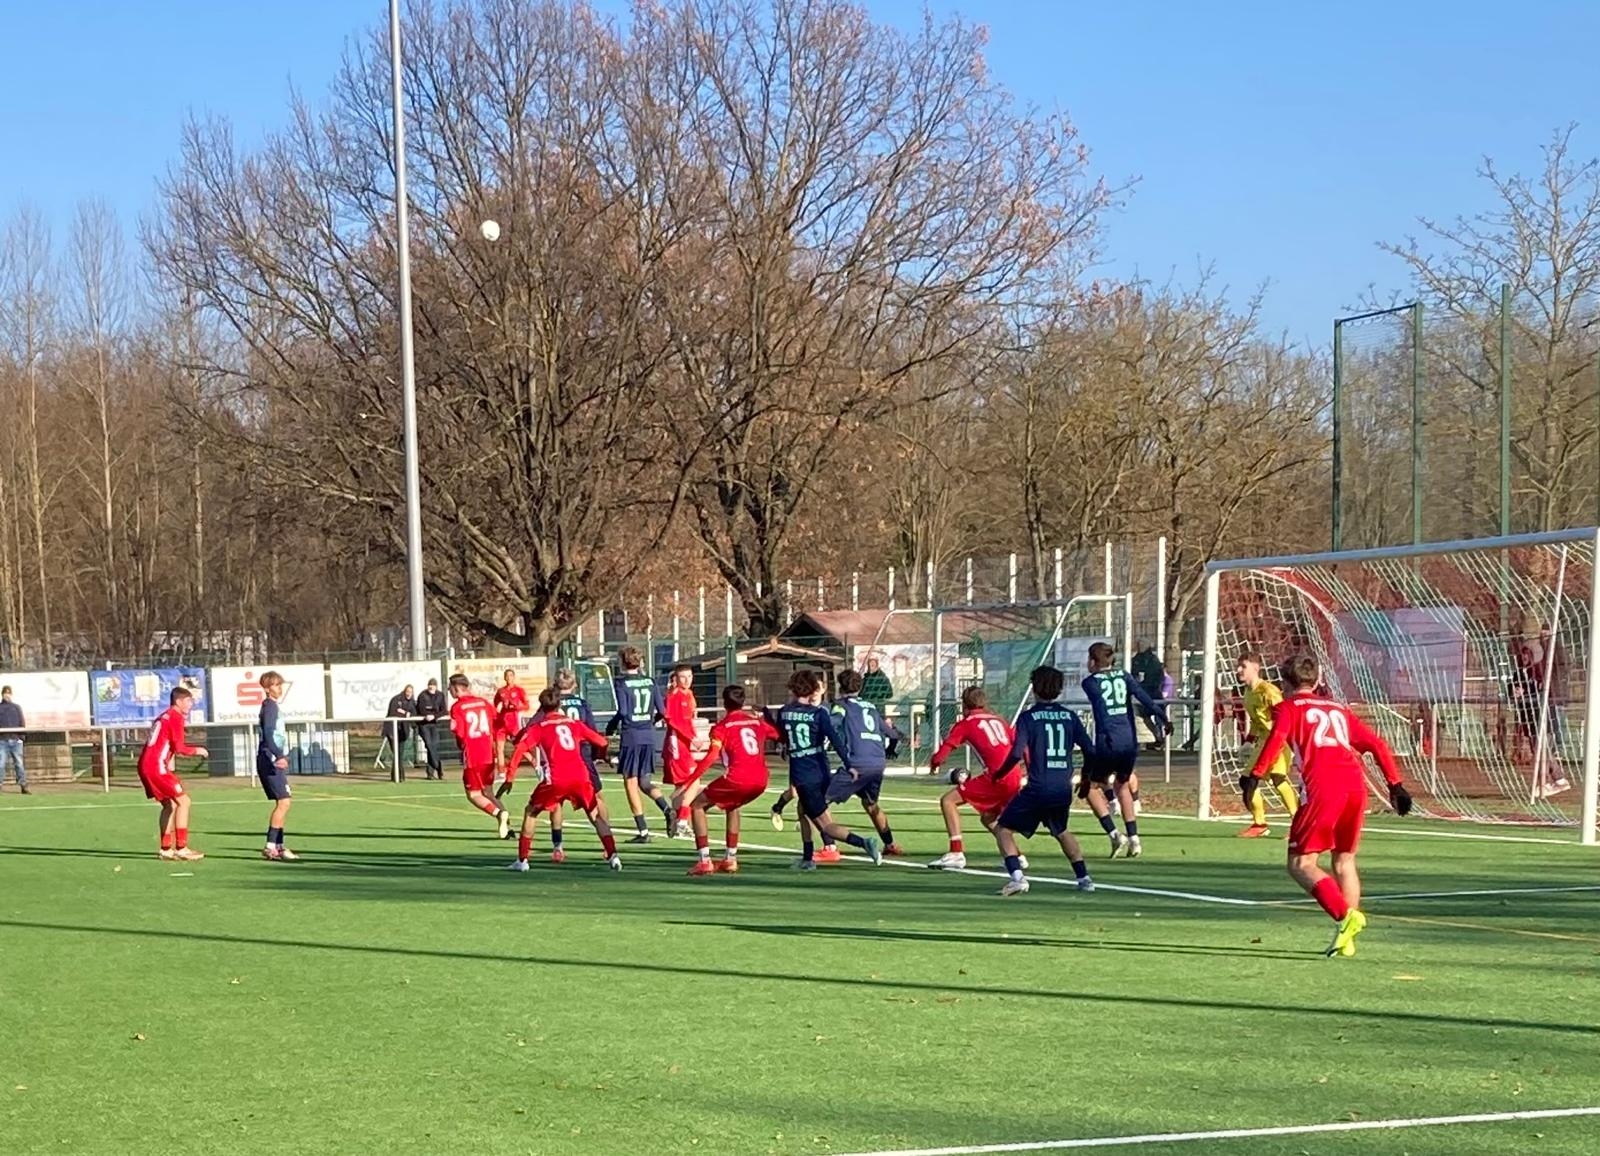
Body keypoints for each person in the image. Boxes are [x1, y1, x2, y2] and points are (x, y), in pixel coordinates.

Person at [1245, 654, 1413, 957]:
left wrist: (1255, 777)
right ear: (1318, 680)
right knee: (1344, 860)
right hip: (1354, 786)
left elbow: (1276, 738)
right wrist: (1394, 784)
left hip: (1323, 787)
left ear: (1285, 682)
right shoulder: (1338, 708)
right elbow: (1377, 745)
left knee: (1300, 864)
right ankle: (1346, 939)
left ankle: (1345, 916)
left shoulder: (1286, 707)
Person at [990, 665, 1095, 896]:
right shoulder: (1070, 716)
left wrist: (999, 773)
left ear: (1034, 688)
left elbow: (1017, 753)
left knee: (1004, 829)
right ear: (1059, 689)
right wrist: (1086, 778)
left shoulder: (1028, 717)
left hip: (1038, 787)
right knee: (1062, 831)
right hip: (1061, 788)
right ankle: (1084, 878)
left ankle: (1017, 877)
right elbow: (1090, 749)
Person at [772, 670, 882, 870]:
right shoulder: (820, 713)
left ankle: (863, 842)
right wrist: (849, 765)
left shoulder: (785, 711)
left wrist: (764, 715)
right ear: (813, 689)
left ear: (792, 688)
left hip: (803, 773)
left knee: (825, 824)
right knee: (802, 810)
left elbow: (779, 736)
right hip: (822, 770)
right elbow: (835, 740)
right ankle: (807, 859)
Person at [504, 688, 621, 872]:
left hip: (556, 779)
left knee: (531, 812)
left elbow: (519, 749)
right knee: (594, 815)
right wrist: (601, 755)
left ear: (542, 708)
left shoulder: (539, 728)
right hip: (580, 776)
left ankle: (522, 860)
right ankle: (613, 856)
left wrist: (509, 777)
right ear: (559, 705)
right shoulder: (574, 724)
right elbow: (602, 742)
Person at [678, 685, 781, 875]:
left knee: (696, 806)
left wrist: (689, 781)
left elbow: (710, 757)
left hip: (738, 778)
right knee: (733, 805)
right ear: (743, 701)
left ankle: (704, 860)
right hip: (761, 780)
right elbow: (777, 734)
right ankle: (731, 858)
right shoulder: (757, 722)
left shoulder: (721, 727)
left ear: (724, 703)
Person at [1080, 642, 1168, 858]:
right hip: (1130, 741)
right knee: (1122, 785)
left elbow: (1102, 709)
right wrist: (1162, 716)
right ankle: (1135, 839)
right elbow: (1144, 698)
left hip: (1108, 741)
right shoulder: (1124, 676)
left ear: (1093, 661)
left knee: (1089, 787)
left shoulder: (1089, 682)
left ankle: (1114, 835)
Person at [927, 687, 1019, 869]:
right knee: (988, 818)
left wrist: (935, 763)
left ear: (964, 705)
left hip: (996, 777)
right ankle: (1016, 854)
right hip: (1014, 775)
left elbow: (944, 751)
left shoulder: (967, 723)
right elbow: (1018, 744)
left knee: (948, 801)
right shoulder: (999, 720)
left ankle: (956, 852)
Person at [825, 669, 905, 855]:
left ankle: (830, 847)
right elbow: (892, 733)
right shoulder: (870, 706)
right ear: (860, 687)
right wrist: (890, 750)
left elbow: (831, 723)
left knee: (819, 802)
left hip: (857, 764)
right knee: (870, 805)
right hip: (878, 763)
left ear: (840, 686)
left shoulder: (840, 706)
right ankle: (890, 844)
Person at [606, 647, 674, 840]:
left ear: (622, 662)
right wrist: (650, 722)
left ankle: (643, 831)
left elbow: (624, 712)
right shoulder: (650, 681)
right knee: (645, 781)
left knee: (630, 782)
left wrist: (611, 726)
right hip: (648, 735)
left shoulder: (621, 683)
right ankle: (667, 808)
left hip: (632, 736)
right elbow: (662, 711)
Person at [137, 686, 209, 861]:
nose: (191, 704)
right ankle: (182, 848)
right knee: (184, 801)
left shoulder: (163, 716)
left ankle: (165, 849)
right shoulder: (175, 717)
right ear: (179, 701)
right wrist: (198, 750)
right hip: (156, 767)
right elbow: (180, 748)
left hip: (146, 765)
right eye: (188, 701)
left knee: (170, 805)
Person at [1235, 651, 1300, 838]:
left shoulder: (1269, 691)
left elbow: (1284, 717)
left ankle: (1298, 824)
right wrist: (1248, 742)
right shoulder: (1248, 692)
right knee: (1246, 781)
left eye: (1243, 666)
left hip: (1279, 740)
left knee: (1278, 779)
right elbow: (1257, 721)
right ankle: (1259, 823)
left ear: (1256, 668)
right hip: (1264, 742)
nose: (1238, 670)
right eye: (1238, 666)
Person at [448, 673, 512, 839]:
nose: (449, 691)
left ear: (456, 688)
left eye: (450, 688)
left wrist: (460, 742)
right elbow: (497, 720)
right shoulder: (483, 702)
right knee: (488, 792)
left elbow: (460, 733)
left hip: (473, 755)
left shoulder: (457, 708)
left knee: (474, 794)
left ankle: (499, 813)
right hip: (488, 753)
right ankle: (507, 826)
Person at [256, 670, 298, 861]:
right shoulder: (270, 707)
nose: (279, 688)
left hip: (270, 758)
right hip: (269, 758)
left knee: (283, 802)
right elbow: (269, 733)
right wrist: (279, 755)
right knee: (284, 801)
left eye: (280, 685)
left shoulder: (271, 706)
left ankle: (279, 846)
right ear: (266, 688)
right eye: (275, 685)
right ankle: (271, 846)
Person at [662, 665, 700, 834]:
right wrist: (692, 737)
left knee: (681, 786)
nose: (687, 680)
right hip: (677, 743)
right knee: (695, 780)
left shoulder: (689, 694)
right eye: (683, 677)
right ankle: (683, 818)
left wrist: (694, 736)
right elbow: (673, 721)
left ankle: (678, 822)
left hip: (685, 744)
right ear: (675, 679)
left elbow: (689, 720)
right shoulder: (674, 696)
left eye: (690, 676)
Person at [492, 668, 530, 775]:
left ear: (514, 677)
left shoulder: (519, 690)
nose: (509, 678)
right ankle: (501, 772)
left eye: (511, 676)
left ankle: (535, 763)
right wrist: (498, 711)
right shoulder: (501, 691)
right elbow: (495, 704)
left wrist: (517, 706)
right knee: (499, 748)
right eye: (507, 676)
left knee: (520, 746)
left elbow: (527, 706)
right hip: (501, 723)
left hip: (513, 723)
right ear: (504, 678)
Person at [1130, 640, 1165, 750]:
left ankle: (1160, 736)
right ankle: (1158, 736)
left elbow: (1158, 676)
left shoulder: (1152, 660)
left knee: (1156, 716)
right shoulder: (1137, 659)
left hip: (1152, 693)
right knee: (1146, 716)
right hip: (1146, 693)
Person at [415, 678, 448, 780]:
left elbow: (444, 710)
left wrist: (434, 716)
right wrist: (427, 715)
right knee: (429, 745)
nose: (431, 687)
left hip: (434, 724)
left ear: (436, 686)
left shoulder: (440, 695)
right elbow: (420, 709)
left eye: (433, 685)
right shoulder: (422, 695)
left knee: (434, 746)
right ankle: (438, 767)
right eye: (430, 685)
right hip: (424, 724)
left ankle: (430, 772)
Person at [0, 685, 29, 794]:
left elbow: (22, 722)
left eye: (8, 693)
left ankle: (23, 785)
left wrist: (22, 738)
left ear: (11, 695)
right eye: (5, 693)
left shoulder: (16, 707)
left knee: (19, 764)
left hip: (16, 740)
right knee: (1, 764)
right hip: (2, 741)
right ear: (2, 694)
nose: (7, 695)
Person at [384, 684, 417, 780]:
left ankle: (397, 776)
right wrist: (405, 713)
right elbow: (393, 712)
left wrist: (405, 712)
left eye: (411, 692)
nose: (409, 694)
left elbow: (414, 714)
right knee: (397, 752)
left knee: (400, 754)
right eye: (407, 691)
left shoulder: (412, 702)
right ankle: (399, 776)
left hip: (403, 731)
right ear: (404, 691)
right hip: (392, 730)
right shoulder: (396, 699)